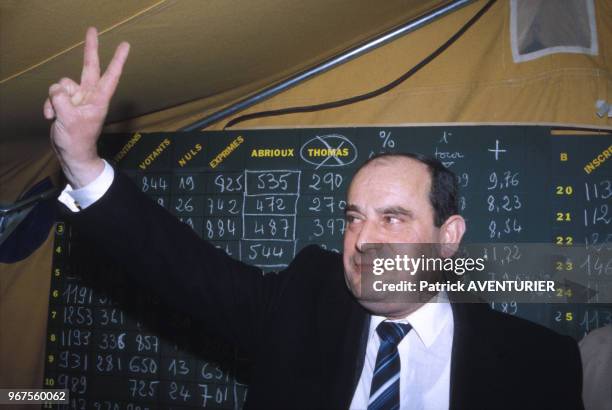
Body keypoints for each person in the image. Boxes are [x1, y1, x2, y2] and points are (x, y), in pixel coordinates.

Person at [46, 27, 584, 410]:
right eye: (353, 218)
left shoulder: (537, 362)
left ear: (448, 237)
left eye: (392, 219)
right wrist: (84, 163)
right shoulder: (302, 300)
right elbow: (182, 267)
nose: (364, 239)